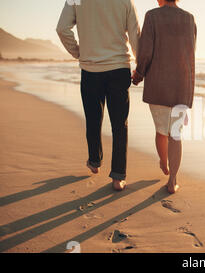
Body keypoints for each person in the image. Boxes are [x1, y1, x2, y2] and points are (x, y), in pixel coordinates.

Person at [56, 0, 141, 191]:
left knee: (93, 119)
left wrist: (78, 52)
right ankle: (118, 177)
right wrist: (140, 68)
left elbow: (62, 29)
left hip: (90, 68)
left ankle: (94, 161)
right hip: (119, 69)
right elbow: (135, 35)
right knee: (120, 124)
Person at [132, 0, 197, 194]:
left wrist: (139, 74)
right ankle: (173, 180)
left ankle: (163, 161)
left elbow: (145, 52)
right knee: (176, 134)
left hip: (158, 84)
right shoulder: (189, 19)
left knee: (161, 131)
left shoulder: (152, 16)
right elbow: (191, 52)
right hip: (181, 84)